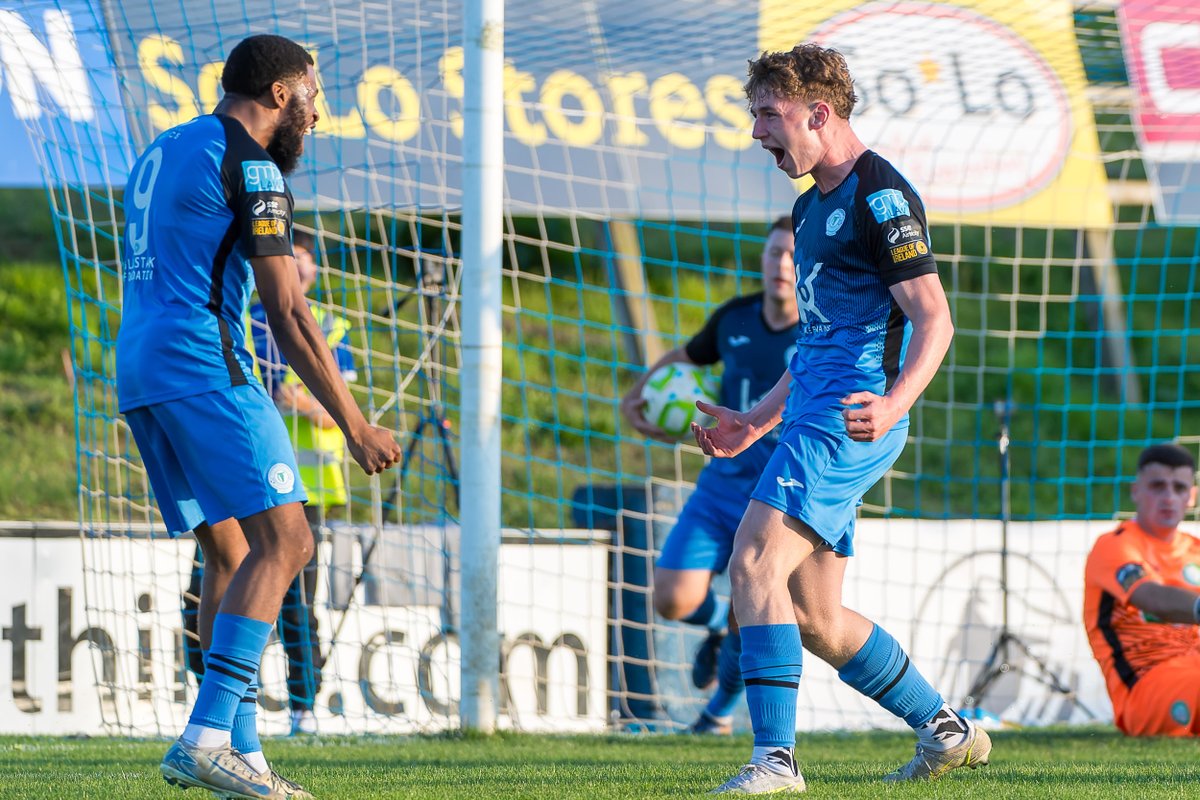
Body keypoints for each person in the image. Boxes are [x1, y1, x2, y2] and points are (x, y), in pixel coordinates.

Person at [692, 44, 987, 793]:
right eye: (756, 113)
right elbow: (818, 340)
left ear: (818, 113)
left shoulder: (879, 197)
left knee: (752, 561)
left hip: (851, 416)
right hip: (811, 416)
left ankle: (775, 763)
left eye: (770, 113)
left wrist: (894, 404)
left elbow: (935, 320)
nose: (759, 131)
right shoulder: (808, 205)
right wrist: (754, 421)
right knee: (813, 614)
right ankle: (945, 730)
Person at [115, 34, 400, 800]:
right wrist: (355, 423)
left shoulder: (166, 145)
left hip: (140, 368)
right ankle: (206, 738)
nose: (319, 111)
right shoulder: (254, 166)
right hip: (206, 367)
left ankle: (242, 754)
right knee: (290, 538)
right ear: (280, 95)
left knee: (233, 555)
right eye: (312, 93)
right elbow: (289, 311)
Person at [619, 216, 799, 735]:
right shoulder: (735, 319)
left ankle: (716, 716)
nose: (781, 265)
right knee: (672, 598)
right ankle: (719, 627)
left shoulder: (819, 331)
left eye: (791, 256)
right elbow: (684, 356)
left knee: (757, 605)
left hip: (776, 497)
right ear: (762, 261)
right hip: (720, 488)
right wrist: (639, 395)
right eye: (773, 254)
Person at [181, 232, 350, 736]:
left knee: (297, 600)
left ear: (315, 271)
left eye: (304, 266)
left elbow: (332, 413)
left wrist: (299, 403)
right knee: (209, 579)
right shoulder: (240, 316)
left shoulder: (331, 326)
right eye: (288, 263)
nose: (295, 273)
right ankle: (210, 705)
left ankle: (303, 706)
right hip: (239, 479)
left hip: (308, 486)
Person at [1084, 443, 1200, 737]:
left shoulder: (1195, 549)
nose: (1169, 497)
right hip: (1147, 684)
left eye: (1179, 488)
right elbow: (1152, 598)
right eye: (1158, 486)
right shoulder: (1115, 545)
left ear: (1192, 497)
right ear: (1136, 491)